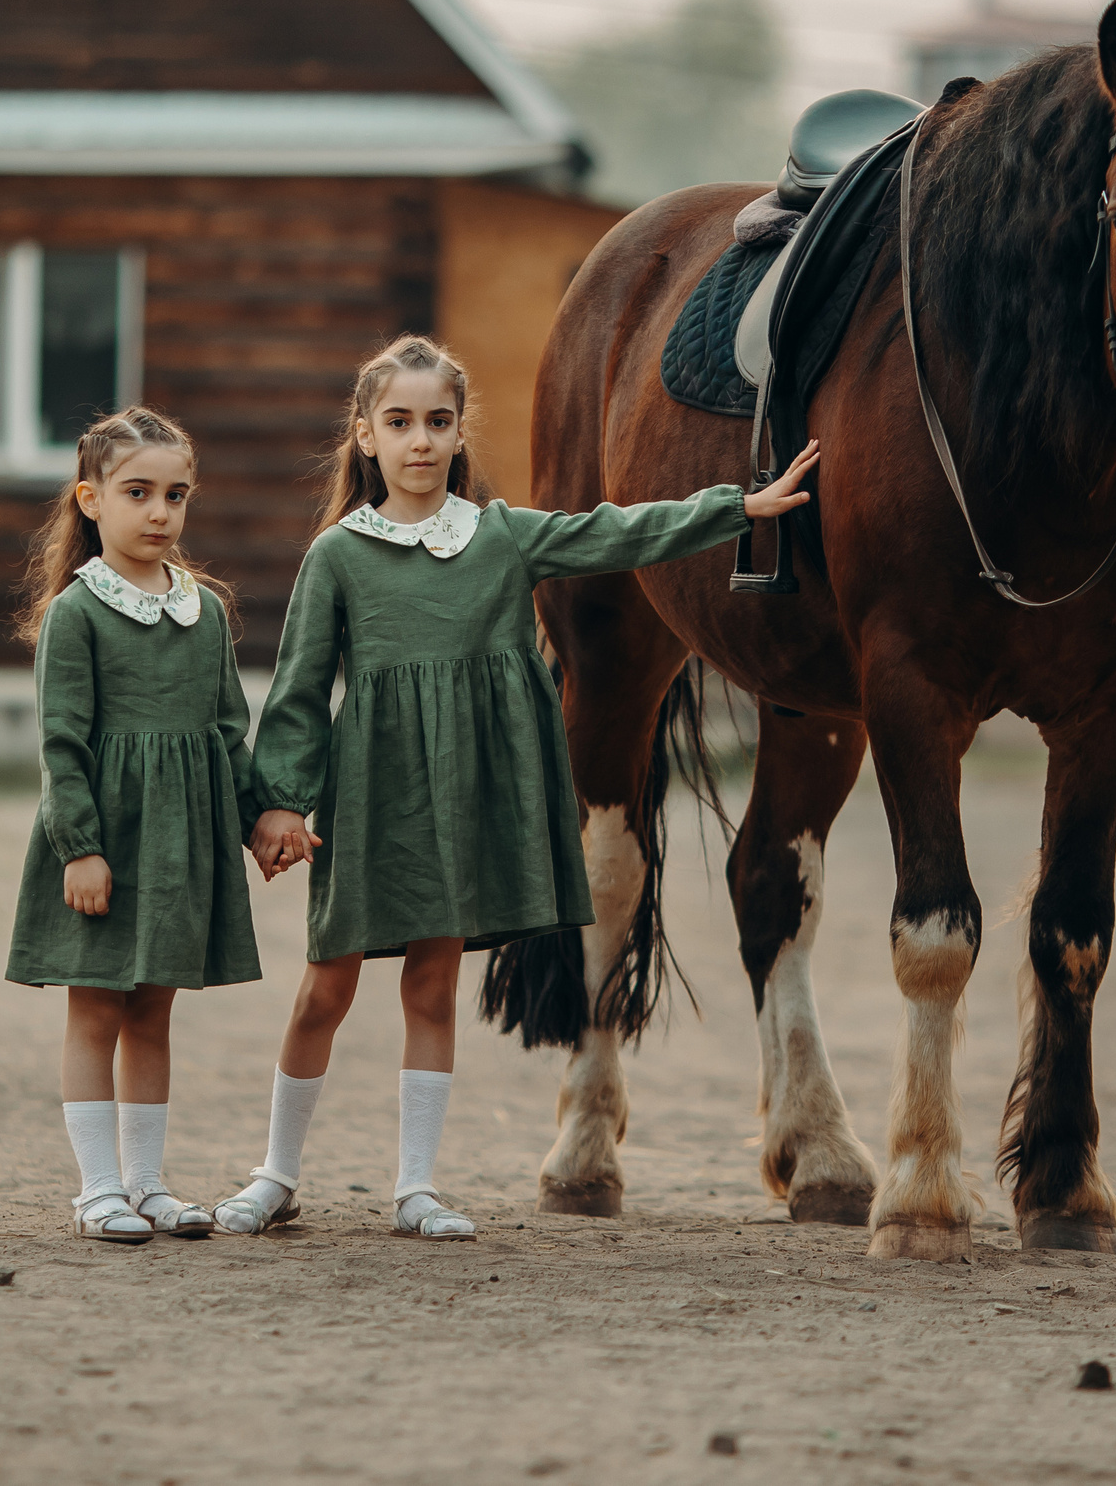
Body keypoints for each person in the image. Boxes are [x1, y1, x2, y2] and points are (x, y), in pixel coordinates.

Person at [215, 336, 817, 1241]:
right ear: (366, 436)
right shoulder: (338, 555)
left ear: (460, 433)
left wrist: (738, 506)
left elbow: (618, 530)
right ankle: (276, 1173)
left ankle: (416, 1187)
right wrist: (278, 803)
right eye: (400, 422)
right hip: (372, 803)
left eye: (439, 421)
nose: (421, 439)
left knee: (432, 987)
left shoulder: (499, 537)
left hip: (462, 802)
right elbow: (299, 692)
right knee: (324, 989)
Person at [6, 408, 262, 1244]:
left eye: (175, 495)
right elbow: (62, 745)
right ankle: (98, 1189)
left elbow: (228, 732)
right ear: (92, 499)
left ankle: (147, 1184)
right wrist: (79, 848)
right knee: (96, 1010)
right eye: (138, 492)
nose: (159, 512)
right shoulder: (77, 613)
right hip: (106, 844)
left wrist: (259, 819)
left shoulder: (204, 611)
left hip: (179, 845)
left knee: (153, 1009)